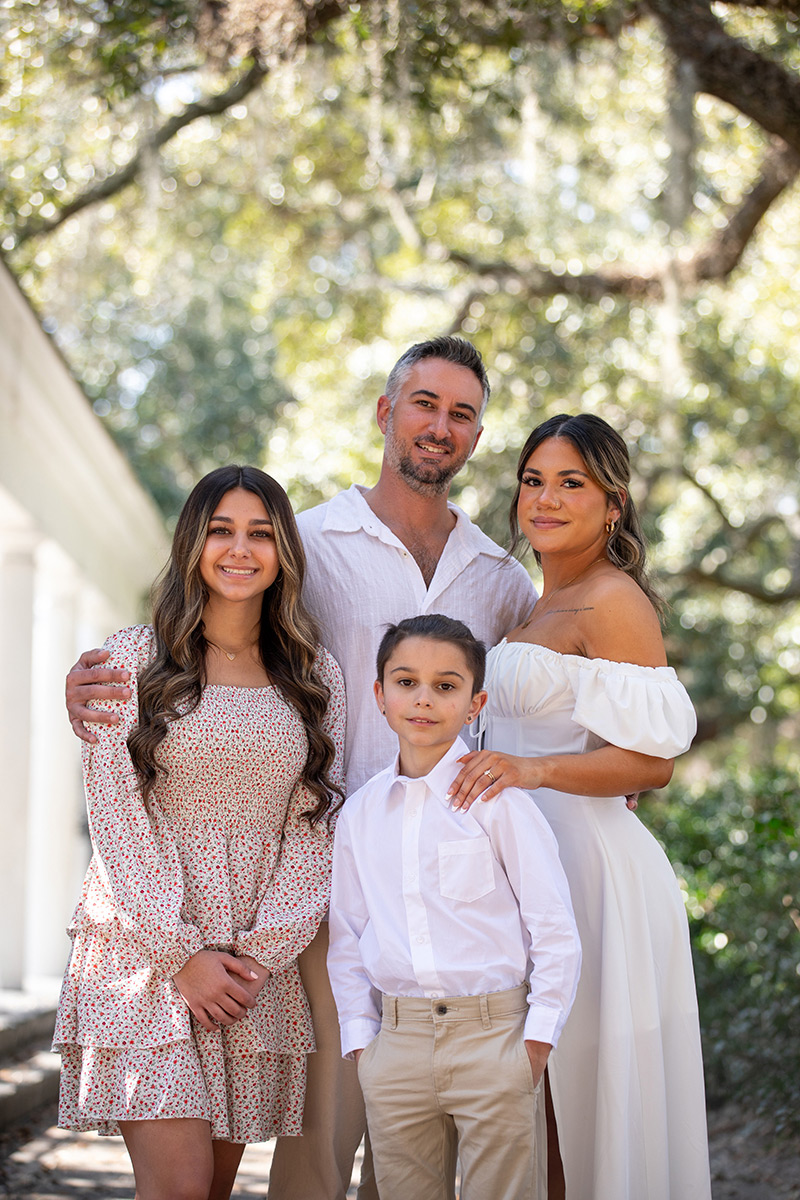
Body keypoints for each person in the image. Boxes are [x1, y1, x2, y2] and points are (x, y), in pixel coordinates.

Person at [64, 337, 537, 1200]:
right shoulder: (312, 539)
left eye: (461, 412)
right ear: (385, 413)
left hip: (407, 891)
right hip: (316, 901)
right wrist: (85, 691)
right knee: (318, 1137)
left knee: (440, 1128)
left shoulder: (504, 581)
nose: (439, 425)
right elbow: (129, 784)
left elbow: (534, 702)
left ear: (477, 434)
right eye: (423, 403)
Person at [53, 465, 345, 1200]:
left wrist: (255, 957)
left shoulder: (315, 676)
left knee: (211, 1191)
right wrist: (181, 953)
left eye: (260, 533)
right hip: (145, 951)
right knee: (178, 1190)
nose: (239, 549)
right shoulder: (130, 659)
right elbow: (115, 817)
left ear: (284, 551)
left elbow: (314, 830)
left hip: (250, 965)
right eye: (221, 530)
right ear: (193, 543)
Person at [447, 413, 712, 1200]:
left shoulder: (611, 600)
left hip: (592, 871)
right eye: (534, 480)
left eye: (572, 483)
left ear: (614, 502)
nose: (547, 498)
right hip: (526, 867)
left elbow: (652, 763)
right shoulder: (529, 604)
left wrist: (533, 770)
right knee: (528, 1104)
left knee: (573, 1096)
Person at [327, 615, 581, 1200]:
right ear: (379, 695)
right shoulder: (361, 814)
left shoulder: (499, 802)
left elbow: (552, 927)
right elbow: (348, 935)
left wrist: (536, 1041)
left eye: (445, 686)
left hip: (494, 1038)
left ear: (474, 704)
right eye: (406, 681)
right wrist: (364, 1044)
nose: (423, 699)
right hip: (397, 1043)